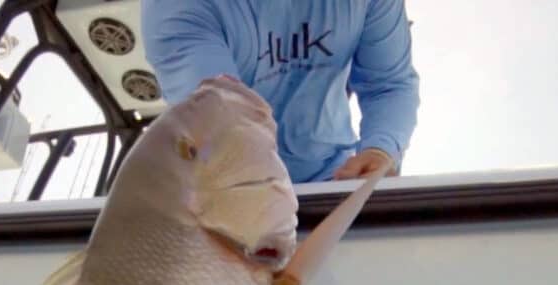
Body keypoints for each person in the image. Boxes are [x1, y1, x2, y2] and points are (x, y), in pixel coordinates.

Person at [140, 0, 420, 184]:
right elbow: (221, 121)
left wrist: (380, 149)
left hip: (332, 181)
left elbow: (388, 85)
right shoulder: (176, 7)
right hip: (222, 193)